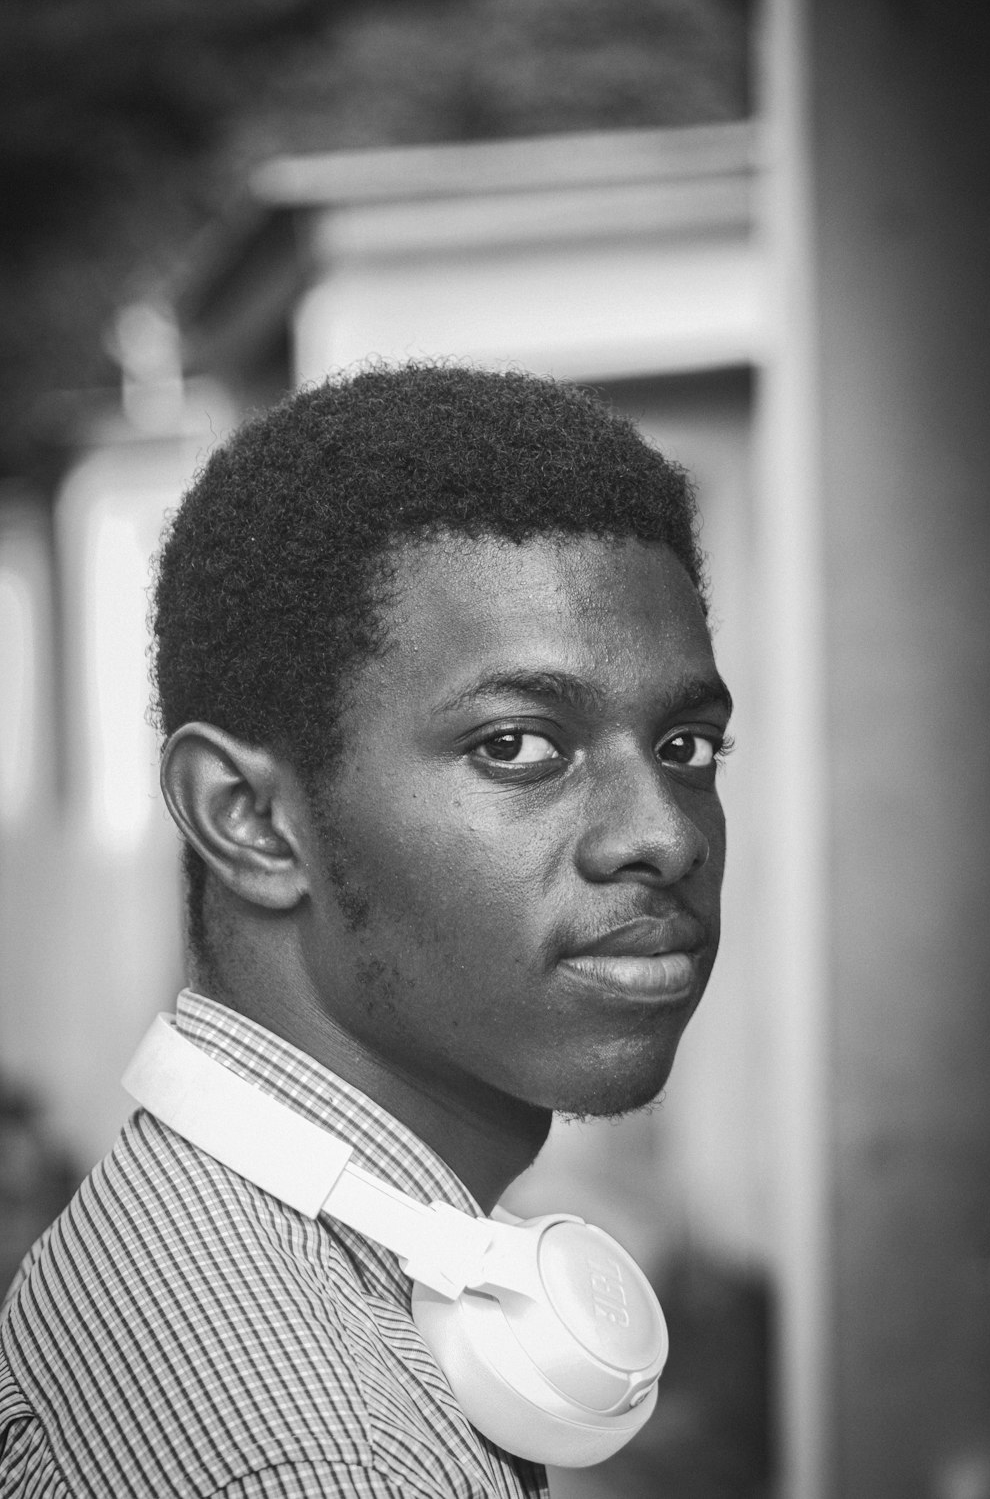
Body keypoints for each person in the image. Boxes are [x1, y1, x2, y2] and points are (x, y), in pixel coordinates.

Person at [0, 363, 732, 1498]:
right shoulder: (312, 1458)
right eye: (516, 745)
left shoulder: (199, 1234)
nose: (662, 837)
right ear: (249, 821)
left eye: (687, 747)